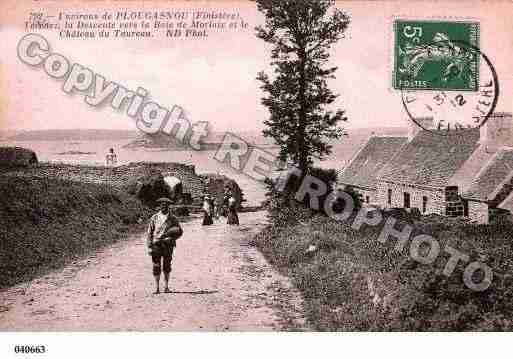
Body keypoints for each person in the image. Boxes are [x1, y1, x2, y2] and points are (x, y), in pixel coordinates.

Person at [147, 198, 183, 294]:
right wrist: (149, 246)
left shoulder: (173, 218)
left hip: (168, 245)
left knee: (167, 265)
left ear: (168, 206)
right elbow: (149, 232)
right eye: (162, 205)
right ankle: (157, 287)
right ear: (159, 206)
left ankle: (166, 287)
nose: (164, 206)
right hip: (156, 244)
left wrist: (172, 238)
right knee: (156, 265)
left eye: (166, 205)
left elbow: (180, 231)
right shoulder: (154, 217)